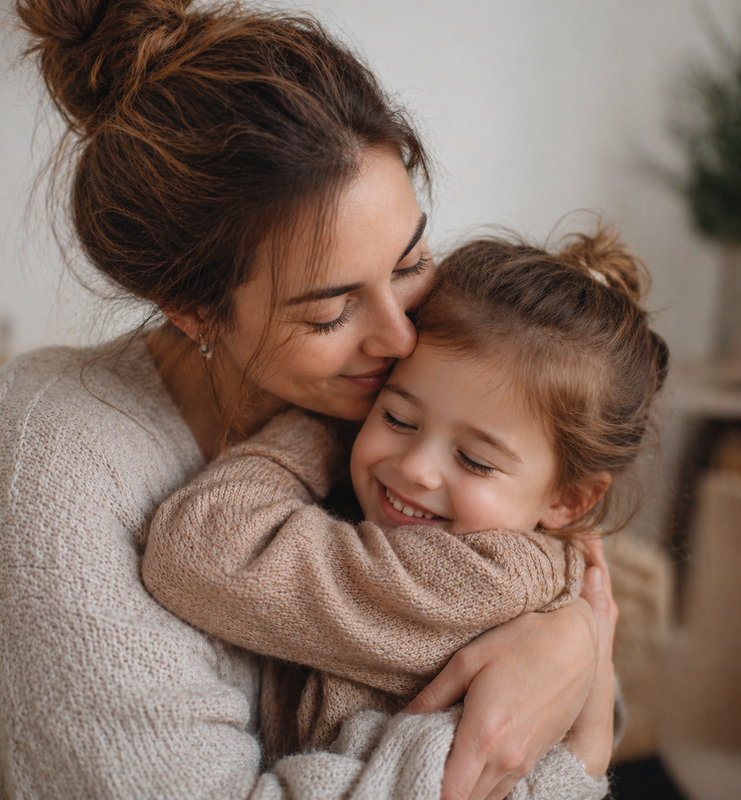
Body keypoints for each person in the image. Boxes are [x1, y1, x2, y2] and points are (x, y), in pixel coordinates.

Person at [0, 1, 616, 798]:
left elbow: (537, 561)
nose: (401, 337)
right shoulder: (44, 461)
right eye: (330, 311)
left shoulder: (400, 399)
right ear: (192, 309)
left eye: (410, 261)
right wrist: (577, 756)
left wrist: (571, 641)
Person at [142, 226, 668, 798]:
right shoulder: (451, 540)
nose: (417, 468)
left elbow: (200, 547)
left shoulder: (482, 578)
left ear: (567, 500)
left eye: (474, 459)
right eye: (396, 418)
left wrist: (327, 421)